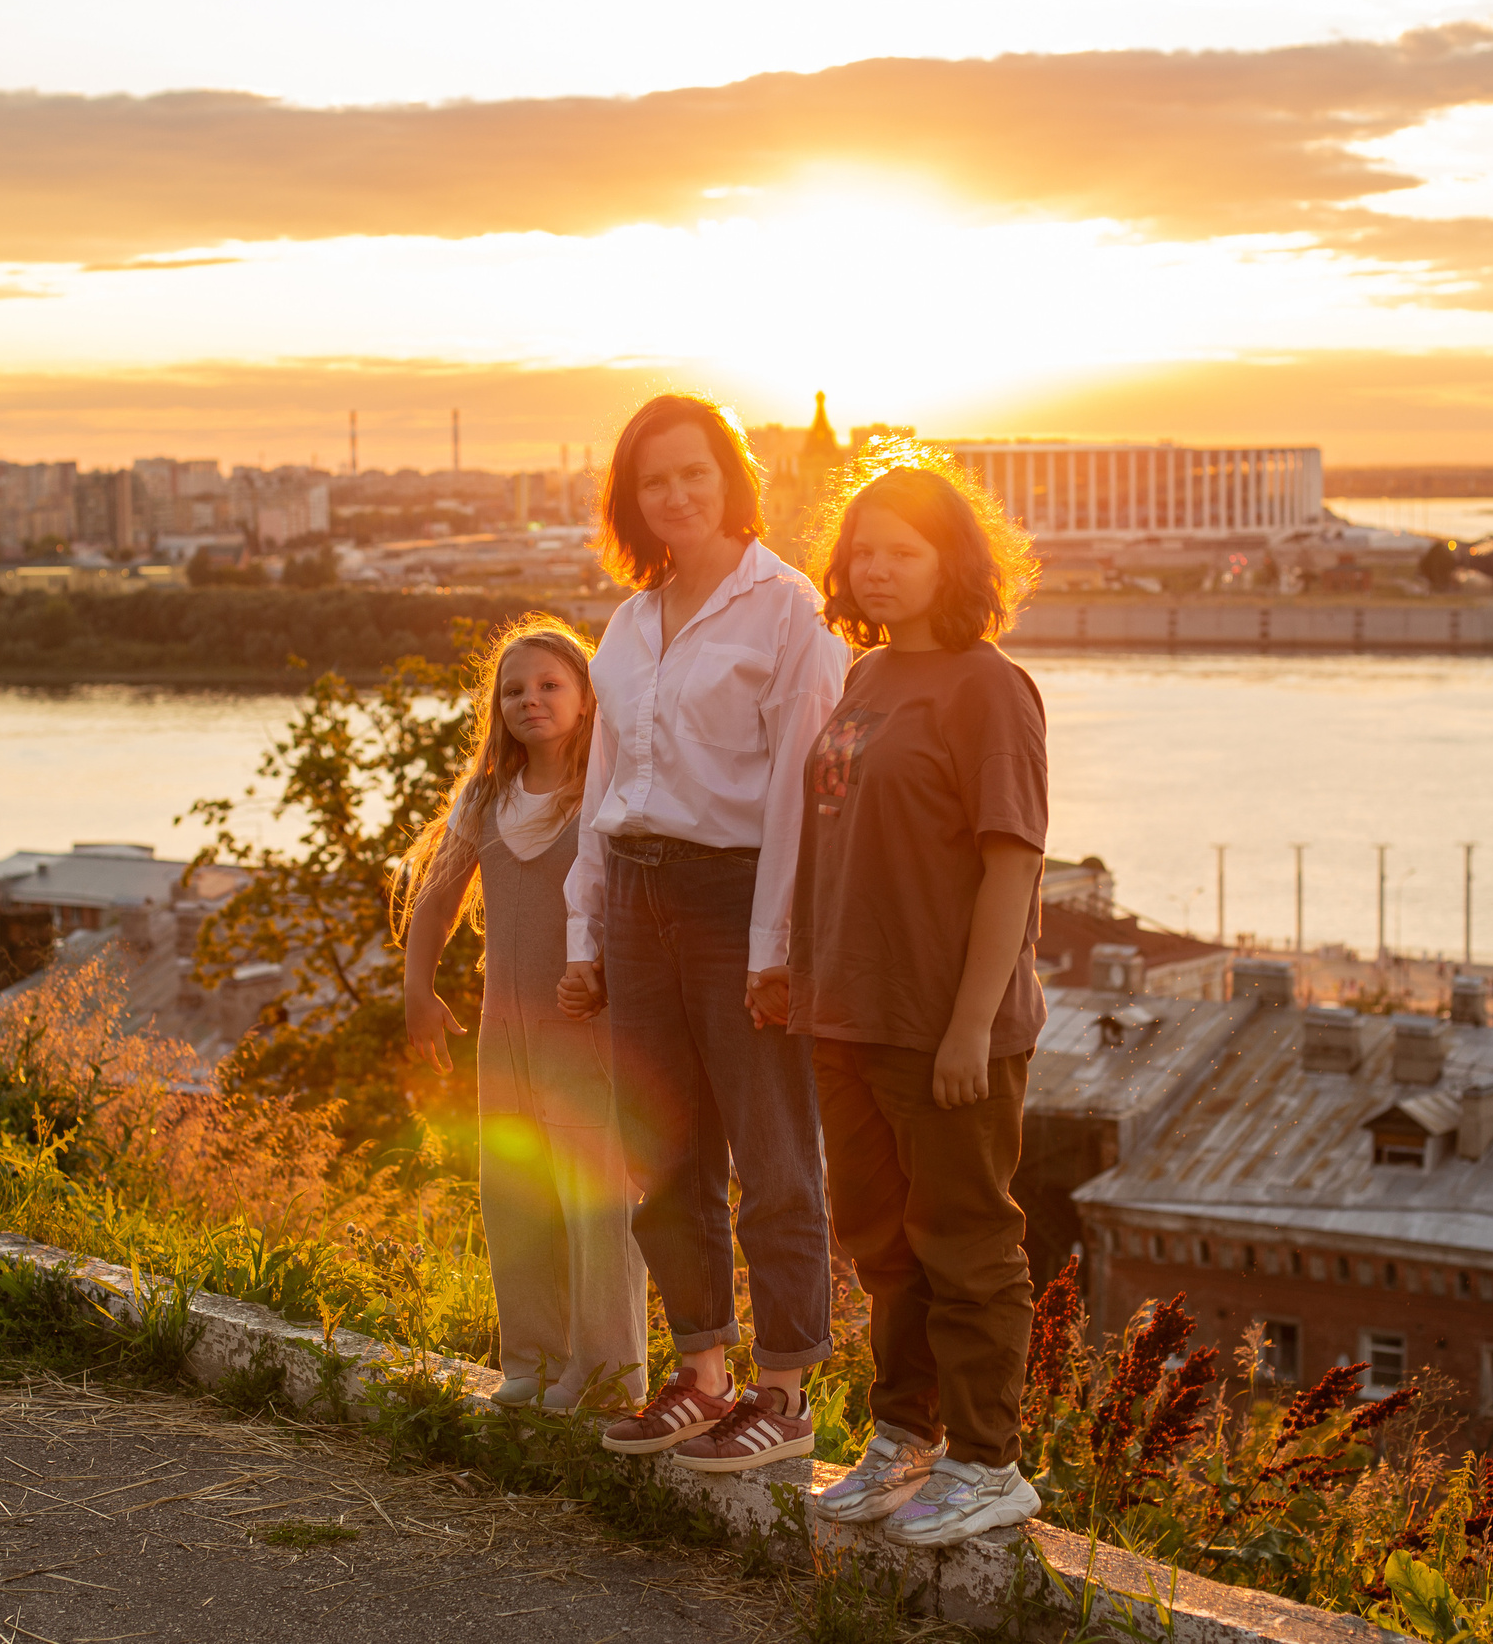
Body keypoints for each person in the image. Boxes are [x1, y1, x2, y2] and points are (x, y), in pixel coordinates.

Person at [560, 392, 848, 1472]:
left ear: (732, 477)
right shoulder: (630, 624)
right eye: (652, 481)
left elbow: (794, 801)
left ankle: (783, 1392)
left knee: (773, 1155)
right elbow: (603, 789)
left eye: (694, 473)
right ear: (629, 500)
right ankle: (700, 1374)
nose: (675, 496)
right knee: (664, 1154)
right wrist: (586, 933)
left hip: (737, 904)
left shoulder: (789, 612)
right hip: (636, 900)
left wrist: (775, 951)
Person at [789, 449, 1050, 1545]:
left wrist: (971, 1027)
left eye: (904, 551)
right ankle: (905, 1438)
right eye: (864, 550)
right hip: (846, 1016)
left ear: (953, 561)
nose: (878, 569)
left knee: (966, 1244)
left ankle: (992, 1463)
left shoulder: (988, 686)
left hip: (945, 1027)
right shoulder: (866, 679)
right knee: (882, 1245)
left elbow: (1011, 863)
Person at [399, 618, 647, 1414]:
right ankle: (532, 1363)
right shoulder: (484, 797)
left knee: (595, 1203)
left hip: (586, 1033)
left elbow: (637, 911)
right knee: (513, 1195)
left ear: (585, 697)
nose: (530, 700)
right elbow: (435, 903)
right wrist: (418, 990)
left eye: (549, 685)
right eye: (514, 690)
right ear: (496, 707)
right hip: (502, 1037)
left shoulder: (606, 793)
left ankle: (608, 1374)